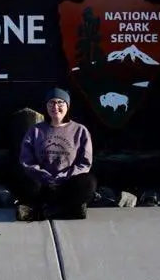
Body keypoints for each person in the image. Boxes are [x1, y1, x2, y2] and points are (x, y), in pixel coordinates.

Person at [14, 88, 98, 221]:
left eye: (60, 102)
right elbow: (26, 160)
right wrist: (44, 176)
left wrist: (64, 176)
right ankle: (64, 210)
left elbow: (84, 163)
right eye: (51, 103)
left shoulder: (80, 130)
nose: (55, 106)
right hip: (42, 184)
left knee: (88, 183)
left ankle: (41, 211)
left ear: (67, 106)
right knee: (23, 179)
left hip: (67, 183)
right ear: (46, 106)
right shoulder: (35, 130)